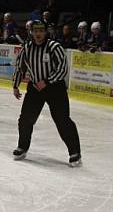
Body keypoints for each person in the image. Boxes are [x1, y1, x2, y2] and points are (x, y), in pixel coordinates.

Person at [12, 20, 81, 167]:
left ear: (45, 32)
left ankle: (75, 152)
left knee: (62, 120)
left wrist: (47, 81)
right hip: (35, 88)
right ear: (31, 32)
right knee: (25, 119)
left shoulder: (54, 47)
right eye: (35, 31)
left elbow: (62, 69)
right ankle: (22, 146)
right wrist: (15, 85)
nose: (38, 34)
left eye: (41, 31)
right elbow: (20, 67)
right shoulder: (27, 48)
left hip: (55, 89)